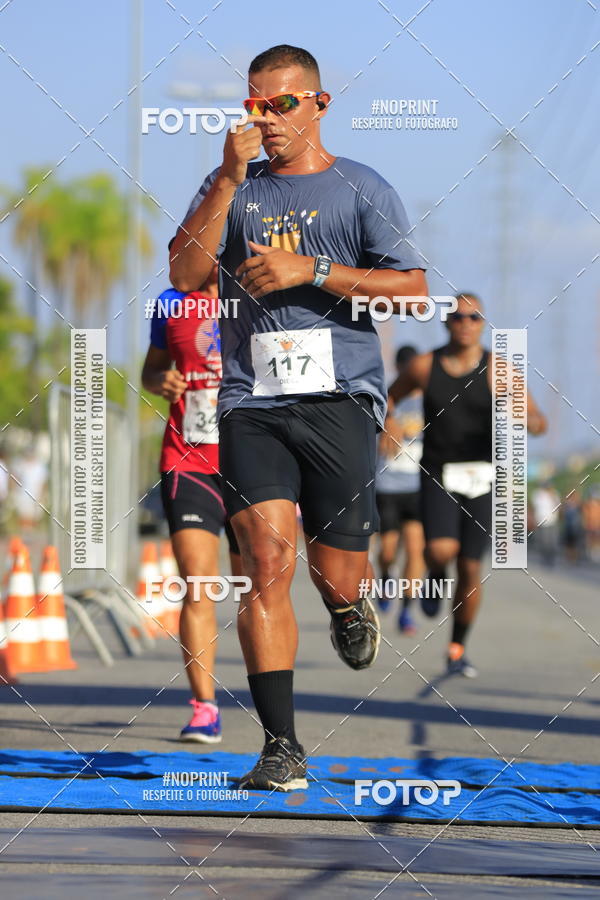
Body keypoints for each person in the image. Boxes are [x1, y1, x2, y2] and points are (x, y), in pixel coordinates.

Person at [169, 44, 427, 790]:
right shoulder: (234, 188)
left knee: (334, 573)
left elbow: (411, 291)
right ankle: (281, 747)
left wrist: (309, 270)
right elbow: (185, 275)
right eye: (256, 106)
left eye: (282, 104)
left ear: (318, 103)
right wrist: (223, 178)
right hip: (250, 401)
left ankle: (350, 608)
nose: (268, 120)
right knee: (268, 566)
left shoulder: (361, 188)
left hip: (341, 398)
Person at [389, 292, 547, 677]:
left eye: (474, 317)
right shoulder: (426, 366)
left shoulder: (501, 370)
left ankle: (457, 647)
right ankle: (436, 574)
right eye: (458, 316)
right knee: (442, 551)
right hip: (439, 474)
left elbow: (540, 422)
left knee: (471, 567)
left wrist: (526, 419)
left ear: (483, 323)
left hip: (484, 478)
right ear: (446, 323)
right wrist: (389, 422)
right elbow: (388, 398)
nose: (465, 323)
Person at [141, 263, 241, 743]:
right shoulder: (169, 304)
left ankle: (271, 701)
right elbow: (151, 369)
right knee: (198, 585)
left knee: (263, 589)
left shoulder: (260, 298)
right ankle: (204, 707)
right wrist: (162, 381)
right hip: (188, 460)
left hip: (254, 466)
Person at [375, 345, 425, 634]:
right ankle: (385, 578)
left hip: (417, 487)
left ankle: (407, 610)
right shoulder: (387, 402)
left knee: (416, 550)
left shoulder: (431, 402)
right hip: (388, 486)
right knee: (388, 551)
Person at [531, 482, 560, 567]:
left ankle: (551, 559)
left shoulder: (555, 494)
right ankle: (544, 558)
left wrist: (552, 496)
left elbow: (558, 505)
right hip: (542, 521)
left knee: (553, 542)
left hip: (553, 521)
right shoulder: (538, 494)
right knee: (544, 542)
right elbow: (536, 506)